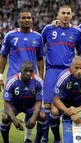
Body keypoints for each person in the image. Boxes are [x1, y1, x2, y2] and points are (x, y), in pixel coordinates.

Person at [0, 10, 45, 142]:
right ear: (18, 20)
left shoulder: (38, 37)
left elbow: (40, 58)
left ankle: (28, 139)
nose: (26, 20)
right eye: (23, 18)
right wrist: (0, 76)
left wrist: (41, 76)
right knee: (6, 114)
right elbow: (3, 56)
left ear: (32, 20)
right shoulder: (10, 35)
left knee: (36, 111)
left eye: (29, 17)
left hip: (32, 79)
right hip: (14, 79)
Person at [40, 5, 81, 142]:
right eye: (63, 13)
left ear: (71, 15)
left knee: (64, 103)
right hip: (52, 70)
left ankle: (63, 136)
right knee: (47, 105)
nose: (65, 15)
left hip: (68, 72)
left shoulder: (76, 32)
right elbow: (40, 47)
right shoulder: (48, 29)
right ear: (58, 15)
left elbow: (80, 52)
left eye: (68, 13)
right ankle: (45, 136)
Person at [49, 56, 81, 142]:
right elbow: (56, 99)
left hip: (80, 98)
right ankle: (57, 139)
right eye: (76, 68)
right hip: (64, 99)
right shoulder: (64, 76)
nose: (79, 71)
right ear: (71, 67)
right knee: (54, 111)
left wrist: (78, 109)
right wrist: (70, 113)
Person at [0, 61, 46, 143]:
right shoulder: (12, 81)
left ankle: (36, 141)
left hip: (30, 106)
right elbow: (7, 103)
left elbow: (39, 102)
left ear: (33, 71)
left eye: (31, 71)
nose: (28, 73)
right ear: (20, 70)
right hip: (15, 106)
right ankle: (6, 141)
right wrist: (14, 120)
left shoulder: (38, 81)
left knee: (43, 116)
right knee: (5, 117)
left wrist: (34, 117)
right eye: (25, 71)